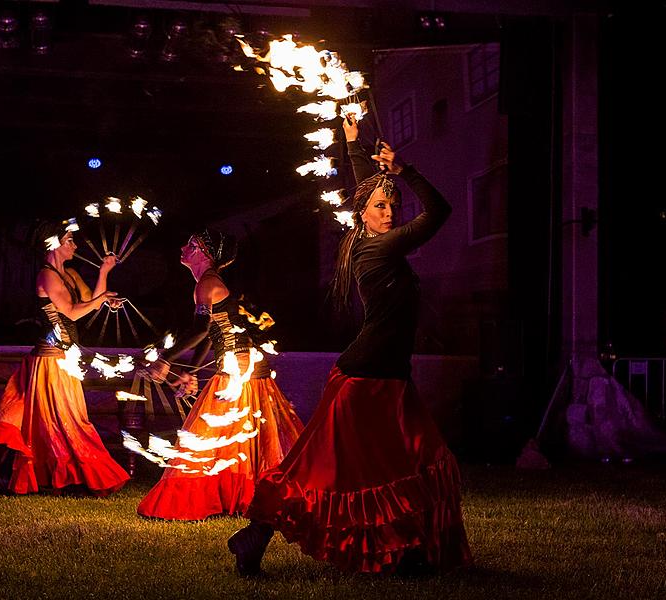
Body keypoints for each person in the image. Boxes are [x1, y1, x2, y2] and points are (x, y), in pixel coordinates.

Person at [228, 116, 472, 575]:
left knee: (414, 462)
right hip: (367, 380)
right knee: (326, 471)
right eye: (382, 206)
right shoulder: (380, 249)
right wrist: (406, 172)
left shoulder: (370, 239)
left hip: (387, 377)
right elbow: (440, 211)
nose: (390, 211)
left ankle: (408, 549)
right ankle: (256, 534)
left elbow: (366, 189)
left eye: (392, 206)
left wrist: (354, 142)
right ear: (363, 214)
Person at [136, 229, 304, 520]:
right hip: (241, 368)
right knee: (236, 439)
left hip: (238, 372)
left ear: (205, 253)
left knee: (216, 436)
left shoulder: (207, 283)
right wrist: (188, 371)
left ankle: (242, 497)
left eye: (191, 244)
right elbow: (211, 334)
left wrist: (166, 359)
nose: (184, 247)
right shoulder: (209, 282)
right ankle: (250, 496)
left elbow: (200, 330)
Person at [0, 220, 130, 496]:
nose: (75, 245)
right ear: (53, 244)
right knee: (60, 422)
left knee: (65, 421)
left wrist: (104, 272)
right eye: (69, 240)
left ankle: (59, 475)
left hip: (64, 359)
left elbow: (90, 300)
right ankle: (59, 474)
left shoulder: (71, 274)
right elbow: (72, 313)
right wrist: (98, 302)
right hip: (50, 361)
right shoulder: (47, 276)